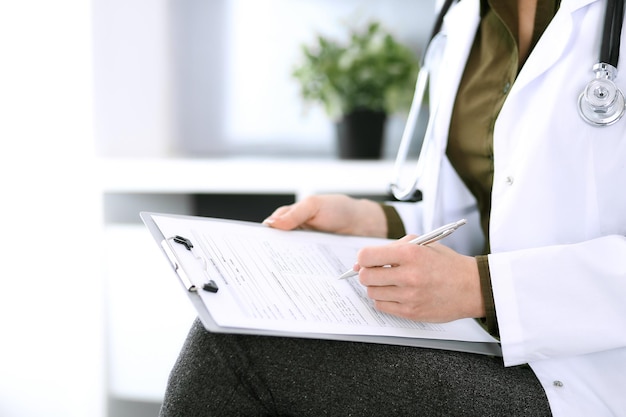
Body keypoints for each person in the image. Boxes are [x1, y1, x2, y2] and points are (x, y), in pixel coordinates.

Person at [159, 0, 626, 416]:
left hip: (596, 382)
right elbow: (489, 213)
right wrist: (373, 220)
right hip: (490, 347)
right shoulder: (468, 17)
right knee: (234, 330)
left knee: (236, 352)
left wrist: (481, 289)